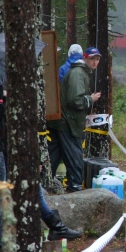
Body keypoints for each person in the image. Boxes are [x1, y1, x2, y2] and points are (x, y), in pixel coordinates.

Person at [48, 47, 102, 193]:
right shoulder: (78, 74)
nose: (95, 62)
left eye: (97, 59)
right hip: (68, 123)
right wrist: (90, 99)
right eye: (92, 59)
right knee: (74, 157)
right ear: (85, 58)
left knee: (53, 156)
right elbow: (75, 100)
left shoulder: (79, 72)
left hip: (62, 122)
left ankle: (44, 185)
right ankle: (74, 188)